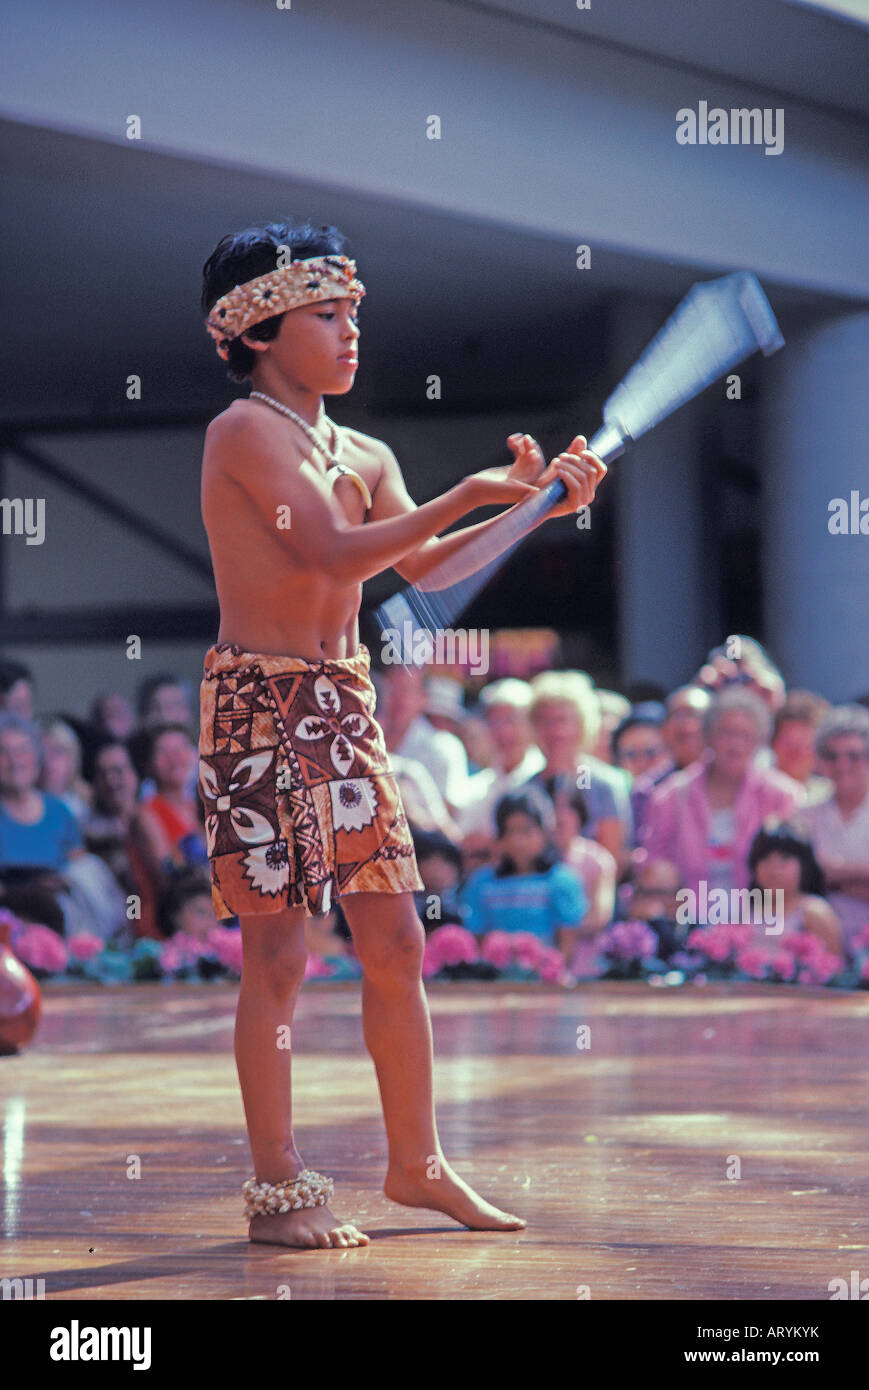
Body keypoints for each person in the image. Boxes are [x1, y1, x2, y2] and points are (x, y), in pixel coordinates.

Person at [197, 215, 607, 1248]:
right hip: (256, 706)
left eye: (350, 313)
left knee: (396, 938)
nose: (347, 333)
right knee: (279, 953)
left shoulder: (363, 449)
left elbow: (426, 571)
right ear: (253, 332)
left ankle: (415, 1162)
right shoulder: (242, 432)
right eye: (323, 314)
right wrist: (472, 489)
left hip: (342, 701)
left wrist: (533, 513)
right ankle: (278, 1184)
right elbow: (334, 550)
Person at [642, 687, 804, 900]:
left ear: (759, 742)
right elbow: (655, 865)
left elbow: (796, 869)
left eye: (746, 735)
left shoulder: (783, 796)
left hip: (762, 918)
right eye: (727, 733)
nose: (735, 745)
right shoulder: (671, 796)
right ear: (708, 736)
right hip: (687, 917)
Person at [528, 670, 633, 875]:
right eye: (546, 721)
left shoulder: (602, 783)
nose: (555, 731)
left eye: (563, 721)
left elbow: (614, 860)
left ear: (582, 723)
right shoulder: (528, 787)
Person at [459, 789, 588, 954]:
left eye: (526, 831)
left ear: (545, 832)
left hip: (546, 976)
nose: (517, 841)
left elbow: (567, 945)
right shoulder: (481, 883)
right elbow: (476, 940)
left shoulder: (562, 881)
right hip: (494, 977)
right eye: (509, 832)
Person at [798, 705, 869, 961]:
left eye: (854, 755)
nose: (842, 764)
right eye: (831, 755)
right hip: (819, 957)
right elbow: (794, 886)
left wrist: (833, 875)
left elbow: (816, 877)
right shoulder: (804, 815)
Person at [458, 677, 546, 839]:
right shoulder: (476, 790)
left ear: (531, 724)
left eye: (512, 720)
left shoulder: (547, 779)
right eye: (496, 721)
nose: (504, 731)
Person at [746, 820, 842, 957]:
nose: (774, 869)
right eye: (765, 859)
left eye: (784, 859)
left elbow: (833, 969)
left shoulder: (815, 913)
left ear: (804, 866)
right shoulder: (747, 909)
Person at [771, 691, 832, 807]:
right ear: (773, 742)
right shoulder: (752, 791)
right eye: (789, 743)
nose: (797, 752)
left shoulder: (827, 797)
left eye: (807, 745)